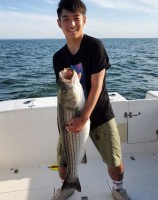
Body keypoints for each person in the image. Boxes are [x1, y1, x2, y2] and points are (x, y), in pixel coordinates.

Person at [52, 0, 131, 199]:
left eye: (76, 18)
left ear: (84, 20)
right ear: (59, 23)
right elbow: (63, 91)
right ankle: (69, 184)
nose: (71, 24)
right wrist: (70, 121)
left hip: (99, 113)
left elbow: (96, 87)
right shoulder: (58, 57)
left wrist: (84, 118)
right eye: (66, 19)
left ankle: (118, 188)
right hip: (70, 116)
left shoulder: (95, 46)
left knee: (114, 162)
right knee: (63, 168)